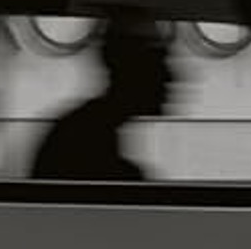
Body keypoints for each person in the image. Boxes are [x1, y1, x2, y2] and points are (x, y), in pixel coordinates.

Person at [30, 12, 176, 179]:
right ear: (130, 69)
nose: (170, 77)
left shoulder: (80, 131)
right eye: (158, 65)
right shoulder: (83, 141)